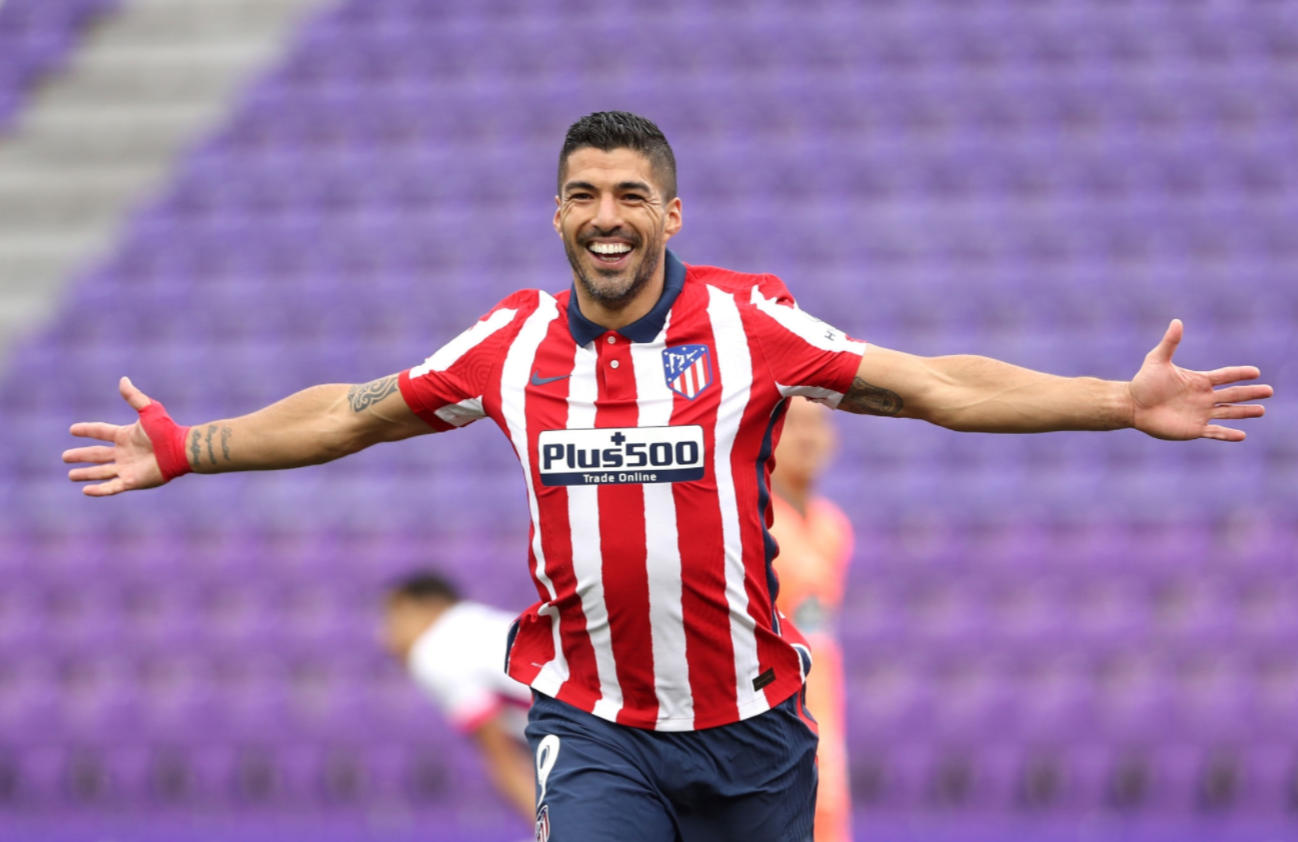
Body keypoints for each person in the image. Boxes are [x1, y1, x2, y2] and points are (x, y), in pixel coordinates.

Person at [62, 111, 1272, 841]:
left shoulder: (750, 325)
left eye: (630, 195)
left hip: (754, 730)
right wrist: (191, 445)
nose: (607, 214)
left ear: (670, 213)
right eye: (584, 195)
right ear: (555, 215)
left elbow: (932, 384)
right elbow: (349, 413)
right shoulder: (507, 344)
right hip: (594, 724)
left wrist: (1114, 400)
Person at [380, 572, 535, 821]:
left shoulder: (433, 652)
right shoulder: (484, 623)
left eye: (397, 615)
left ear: (431, 606)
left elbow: (506, 762)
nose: (386, 637)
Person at [769, 397, 854, 842]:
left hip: (824, 723)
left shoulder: (833, 528)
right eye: (794, 424)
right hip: (770, 732)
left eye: (817, 423)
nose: (808, 437)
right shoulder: (751, 527)